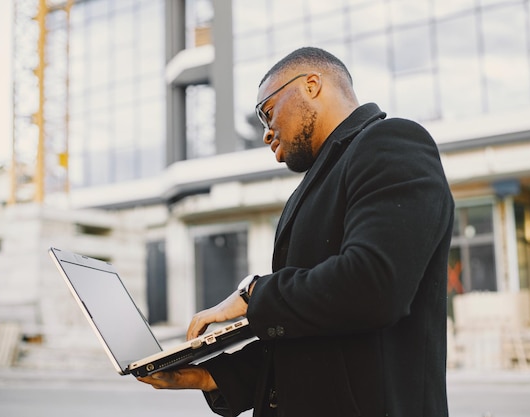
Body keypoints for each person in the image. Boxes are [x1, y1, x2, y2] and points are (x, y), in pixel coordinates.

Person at [138, 46, 454, 417]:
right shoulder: (317, 184)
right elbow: (312, 330)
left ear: (312, 84)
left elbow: (373, 285)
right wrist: (210, 374)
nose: (265, 132)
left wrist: (252, 294)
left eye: (267, 112)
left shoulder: (392, 142)